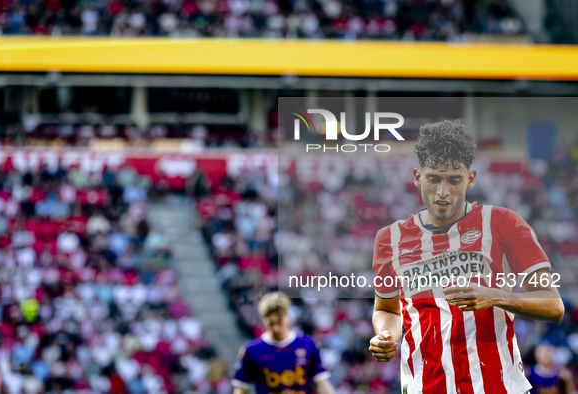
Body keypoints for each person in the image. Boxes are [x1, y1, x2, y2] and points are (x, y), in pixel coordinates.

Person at [369, 119, 564, 394]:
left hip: (498, 388)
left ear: (470, 178)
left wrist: (495, 296)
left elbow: (553, 305)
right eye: (434, 178)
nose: (443, 192)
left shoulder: (503, 223)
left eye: (455, 180)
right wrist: (385, 334)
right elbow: (386, 309)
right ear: (417, 176)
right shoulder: (389, 238)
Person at [232, 292, 336, 394]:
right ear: (263, 320)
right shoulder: (251, 351)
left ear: (288, 317)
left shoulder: (308, 345)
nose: (276, 328)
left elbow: (321, 383)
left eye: (279, 322)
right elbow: (241, 388)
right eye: (271, 323)